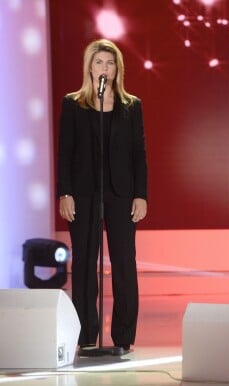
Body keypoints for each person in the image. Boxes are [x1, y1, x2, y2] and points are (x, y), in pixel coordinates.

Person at [57, 39, 148, 352]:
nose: (104, 68)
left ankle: (123, 336)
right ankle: (85, 335)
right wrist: (64, 192)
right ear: (89, 67)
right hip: (83, 193)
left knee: (124, 262)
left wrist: (141, 195)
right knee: (83, 263)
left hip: (121, 194)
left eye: (110, 63)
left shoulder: (131, 105)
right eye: (99, 62)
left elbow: (139, 155)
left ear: (117, 68)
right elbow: (65, 153)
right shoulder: (73, 103)